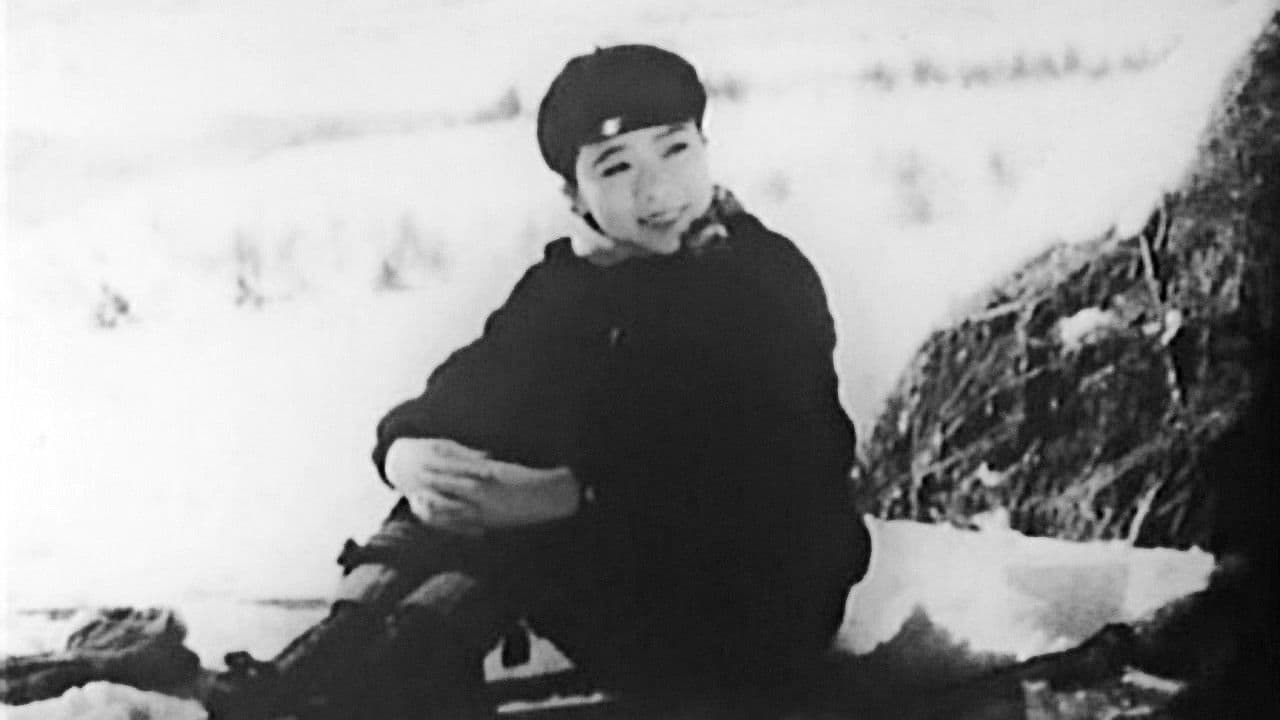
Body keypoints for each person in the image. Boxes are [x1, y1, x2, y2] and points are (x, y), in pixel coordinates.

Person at [204, 43, 871, 720]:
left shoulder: (760, 277)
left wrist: (567, 497)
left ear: (705, 148)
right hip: (630, 590)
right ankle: (344, 645)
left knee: (511, 522)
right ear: (575, 195)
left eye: (675, 150)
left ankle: (415, 652)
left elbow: (770, 470)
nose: (657, 190)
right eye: (617, 167)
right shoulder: (572, 285)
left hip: (760, 604)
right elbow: (474, 387)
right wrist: (406, 451)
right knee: (461, 476)